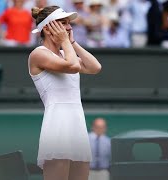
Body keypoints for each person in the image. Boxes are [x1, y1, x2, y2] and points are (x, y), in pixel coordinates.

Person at [28, 5, 102, 180]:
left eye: (69, 24)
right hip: (57, 125)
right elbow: (73, 66)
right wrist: (66, 42)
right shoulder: (38, 54)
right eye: (63, 23)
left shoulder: (65, 53)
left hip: (76, 123)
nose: (69, 28)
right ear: (47, 27)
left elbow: (95, 67)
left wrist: (72, 43)